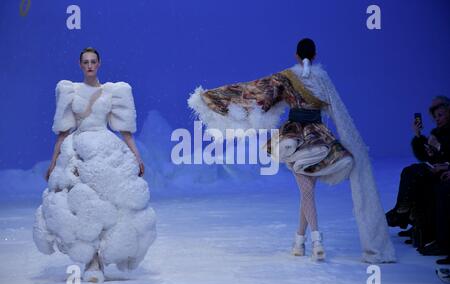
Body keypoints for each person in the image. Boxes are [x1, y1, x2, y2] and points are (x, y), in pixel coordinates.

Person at [188, 38, 395, 263]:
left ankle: (316, 241)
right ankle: (299, 241)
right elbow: (338, 110)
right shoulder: (322, 78)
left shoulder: (287, 77)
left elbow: (254, 91)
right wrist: (352, 143)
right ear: (314, 56)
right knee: (307, 193)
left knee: (306, 193)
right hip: (320, 140)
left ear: (297, 56)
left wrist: (211, 97)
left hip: (295, 140)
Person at [33, 47, 157, 283]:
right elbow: (62, 132)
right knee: (81, 204)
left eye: (93, 62)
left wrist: (137, 157)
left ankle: (105, 254)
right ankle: (92, 261)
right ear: (80, 65)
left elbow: (125, 131)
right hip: (77, 149)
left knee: (112, 202)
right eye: (85, 62)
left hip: (105, 148)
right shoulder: (70, 91)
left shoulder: (113, 93)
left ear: (99, 64)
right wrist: (53, 163)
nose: (89, 65)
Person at [386, 97, 450, 250]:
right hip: (439, 171)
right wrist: (418, 136)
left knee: (419, 176)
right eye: (435, 115)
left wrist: (444, 161)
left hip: (444, 173)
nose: (436, 118)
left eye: (440, 114)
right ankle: (408, 218)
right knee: (412, 172)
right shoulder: (437, 132)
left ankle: (403, 215)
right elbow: (426, 156)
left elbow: (444, 152)